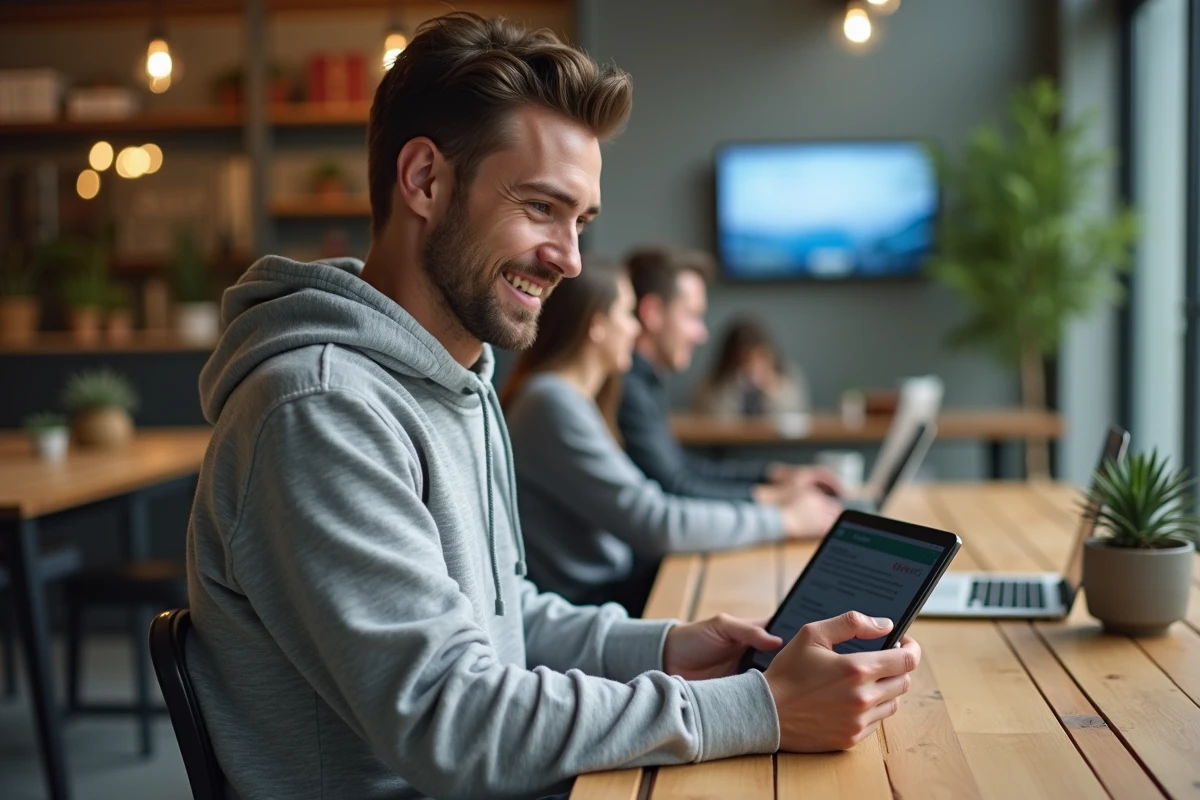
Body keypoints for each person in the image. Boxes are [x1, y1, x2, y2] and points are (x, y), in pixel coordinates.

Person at [185, 13, 921, 800]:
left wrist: (667, 647)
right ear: (425, 181)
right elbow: (453, 722)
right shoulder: (319, 409)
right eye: (541, 208)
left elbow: (501, 624)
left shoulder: (457, 382)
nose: (570, 260)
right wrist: (757, 706)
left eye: (581, 221)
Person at [502, 258, 835, 614]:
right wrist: (786, 520)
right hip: (596, 604)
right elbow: (655, 522)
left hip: (610, 590)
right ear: (597, 326)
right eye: (628, 314)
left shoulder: (572, 399)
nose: (634, 331)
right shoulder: (551, 401)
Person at [618, 245, 840, 506]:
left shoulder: (645, 381)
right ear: (653, 313)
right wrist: (778, 498)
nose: (702, 334)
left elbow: (684, 469)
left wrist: (774, 475)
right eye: (692, 316)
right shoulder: (627, 386)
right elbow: (675, 486)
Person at [693, 317, 809, 418]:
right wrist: (733, 386)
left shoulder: (788, 375)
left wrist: (771, 386)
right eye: (743, 360)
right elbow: (710, 421)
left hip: (775, 443)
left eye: (759, 357)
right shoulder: (712, 383)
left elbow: (797, 416)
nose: (751, 367)